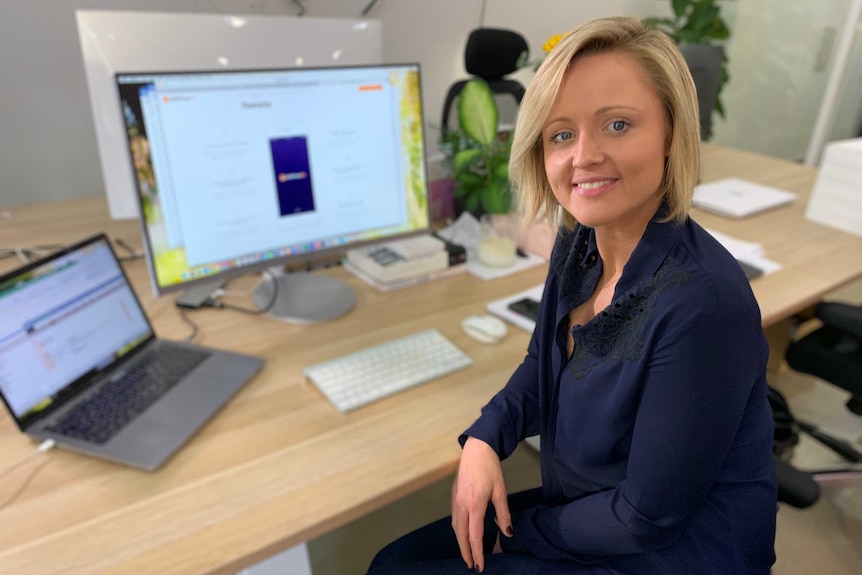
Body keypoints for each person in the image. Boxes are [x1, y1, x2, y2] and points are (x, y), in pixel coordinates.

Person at [368, 16, 777, 574]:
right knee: (394, 560)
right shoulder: (579, 241)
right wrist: (485, 438)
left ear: (672, 134)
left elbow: (646, 518)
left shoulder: (702, 304)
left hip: (669, 551)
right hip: (592, 507)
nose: (583, 155)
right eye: (562, 134)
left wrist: (516, 536)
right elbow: (545, 361)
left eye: (616, 125)